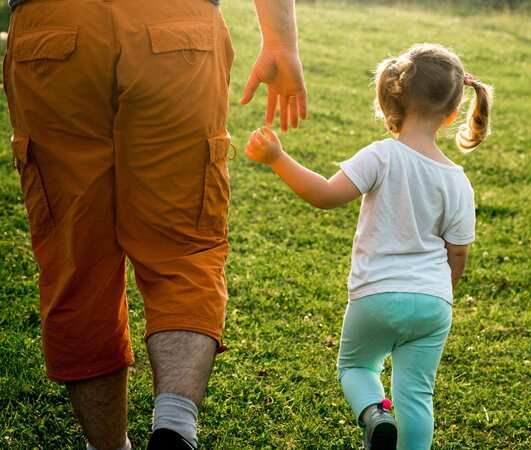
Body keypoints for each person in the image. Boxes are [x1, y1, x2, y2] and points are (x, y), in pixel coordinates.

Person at [3, 0, 306, 448]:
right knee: (185, 250)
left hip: (53, 29)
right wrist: (281, 42)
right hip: (177, 26)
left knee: (77, 261)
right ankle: (175, 425)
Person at [245, 43, 493, 450]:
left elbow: (325, 195)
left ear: (394, 98)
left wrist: (277, 158)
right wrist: (441, 291)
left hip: (376, 295)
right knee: (417, 395)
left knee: (356, 365)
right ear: (452, 114)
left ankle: (375, 414)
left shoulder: (381, 156)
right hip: (433, 302)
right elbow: (459, 252)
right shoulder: (458, 181)